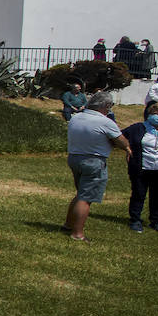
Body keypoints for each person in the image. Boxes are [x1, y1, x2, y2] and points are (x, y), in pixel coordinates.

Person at [63, 92, 131, 241]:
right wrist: (127, 148)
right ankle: (77, 234)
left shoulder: (77, 118)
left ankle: (68, 224)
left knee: (81, 192)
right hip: (94, 161)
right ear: (106, 106)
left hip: (74, 157)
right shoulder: (105, 122)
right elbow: (121, 141)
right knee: (86, 198)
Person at [122, 101, 158, 233]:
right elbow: (119, 136)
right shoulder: (138, 128)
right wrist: (127, 148)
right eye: (153, 113)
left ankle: (156, 221)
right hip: (140, 168)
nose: (156, 116)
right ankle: (135, 220)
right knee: (138, 194)